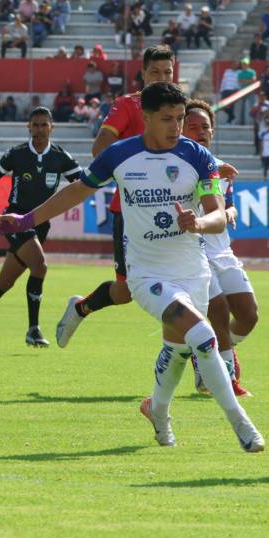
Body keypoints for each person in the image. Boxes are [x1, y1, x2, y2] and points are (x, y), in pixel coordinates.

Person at [0, 82, 265, 453]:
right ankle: (241, 425)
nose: (175, 126)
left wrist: (198, 223)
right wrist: (25, 220)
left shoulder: (198, 157)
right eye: (167, 118)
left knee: (179, 350)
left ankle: (156, 408)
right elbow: (76, 192)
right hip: (147, 274)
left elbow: (217, 213)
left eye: (180, 118)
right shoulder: (119, 155)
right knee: (202, 337)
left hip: (193, 271)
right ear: (147, 118)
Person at [53, 46, 175, 350]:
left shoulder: (178, 108)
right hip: (131, 212)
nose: (162, 78)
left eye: (168, 72)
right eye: (156, 72)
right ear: (144, 74)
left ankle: (204, 359)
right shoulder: (129, 105)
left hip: (174, 211)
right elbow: (101, 147)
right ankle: (81, 308)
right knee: (124, 292)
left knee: (190, 283)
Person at [0, 107, 81, 350]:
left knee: (5, 282)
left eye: (44, 125)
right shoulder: (18, 154)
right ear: (29, 127)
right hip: (15, 220)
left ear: (52, 127)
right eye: (35, 125)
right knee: (40, 266)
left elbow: (81, 183)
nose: (40, 130)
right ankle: (33, 329)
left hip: (41, 224)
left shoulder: (60, 156)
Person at [183, 99, 257, 397]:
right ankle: (225, 379)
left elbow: (229, 207)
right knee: (218, 309)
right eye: (194, 127)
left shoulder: (220, 169)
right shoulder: (179, 168)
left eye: (206, 127)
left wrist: (231, 213)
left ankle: (206, 351)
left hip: (222, 251)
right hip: (194, 251)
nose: (201, 132)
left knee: (248, 316)